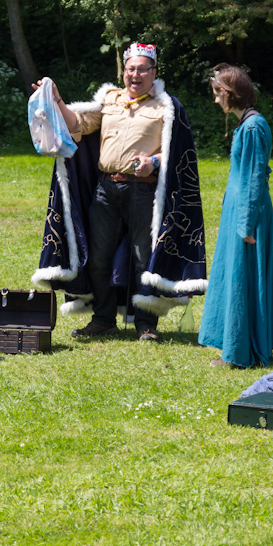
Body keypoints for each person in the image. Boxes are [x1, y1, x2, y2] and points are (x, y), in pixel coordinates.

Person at [31, 43, 208, 342]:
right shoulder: (110, 100)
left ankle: (146, 324)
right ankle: (103, 319)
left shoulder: (167, 107)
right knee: (98, 258)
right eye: (130, 69)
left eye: (142, 70)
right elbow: (79, 125)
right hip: (105, 190)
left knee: (142, 259)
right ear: (123, 72)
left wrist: (153, 162)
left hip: (144, 192)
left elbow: (178, 152)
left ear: (154, 72)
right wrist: (57, 100)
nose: (135, 75)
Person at [198, 64, 273, 368]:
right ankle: (235, 345)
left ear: (230, 93)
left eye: (217, 93)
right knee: (233, 275)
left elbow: (254, 178)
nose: (215, 99)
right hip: (239, 211)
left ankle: (242, 351)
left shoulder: (253, 126)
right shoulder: (246, 125)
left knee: (243, 277)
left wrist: (246, 224)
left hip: (248, 215)